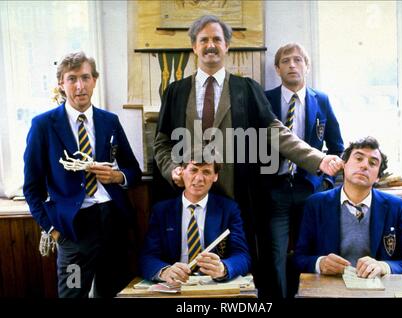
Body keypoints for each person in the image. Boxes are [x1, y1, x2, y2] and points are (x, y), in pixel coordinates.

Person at [153, 14, 343, 295]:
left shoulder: (247, 89)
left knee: (236, 273)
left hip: (237, 200)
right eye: (203, 40)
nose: (210, 45)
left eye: (217, 39)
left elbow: (276, 132)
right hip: (189, 198)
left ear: (227, 46)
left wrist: (318, 159)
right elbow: (162, 142)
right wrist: (172, 170)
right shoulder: (175, 92)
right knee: (191, 276)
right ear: (193, 47)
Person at [23, 51, 142, 298]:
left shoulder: (110, 121)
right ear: (61, 84)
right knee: (74, 293)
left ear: (95, 80)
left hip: (113, 226)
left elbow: (133, 171)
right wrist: (54, 230)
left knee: (111, 293)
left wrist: (117, 177)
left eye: (86, 78)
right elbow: (32, 188)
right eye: (72, 79)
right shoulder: (43, 126)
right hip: (74, 234)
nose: (80, 86)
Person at [264, 43, 344, 298]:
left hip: (311, 191)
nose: (292, 65)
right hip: (275, 191)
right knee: (275, 254)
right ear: (277, 69)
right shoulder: (266, 100)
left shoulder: (321, 100)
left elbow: (337, 146)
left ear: (307, 67)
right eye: (285, 61)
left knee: (310, 253)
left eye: (298, 60)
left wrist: (327, 184)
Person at [294, 137, 402, 278]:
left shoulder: (394, 206)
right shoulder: (316, 204)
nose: (364, 166)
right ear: (344, 164)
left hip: (377, 289)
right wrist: (320, 263)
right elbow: (298, 259)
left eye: (372, 163)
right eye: (359, 158)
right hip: (330, 286)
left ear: (378, 177)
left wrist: (383, 266)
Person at [140, 156, 251, 284]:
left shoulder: (229, 209)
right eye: (193, 170)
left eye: (206, 172)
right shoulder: (162, 211)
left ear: (215, 176)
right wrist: (165, 271)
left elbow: (242, 256)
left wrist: (223, 268)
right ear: (182, 172)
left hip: (212, 286)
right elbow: (147, 257)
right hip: (175, 286)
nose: (199, 178)